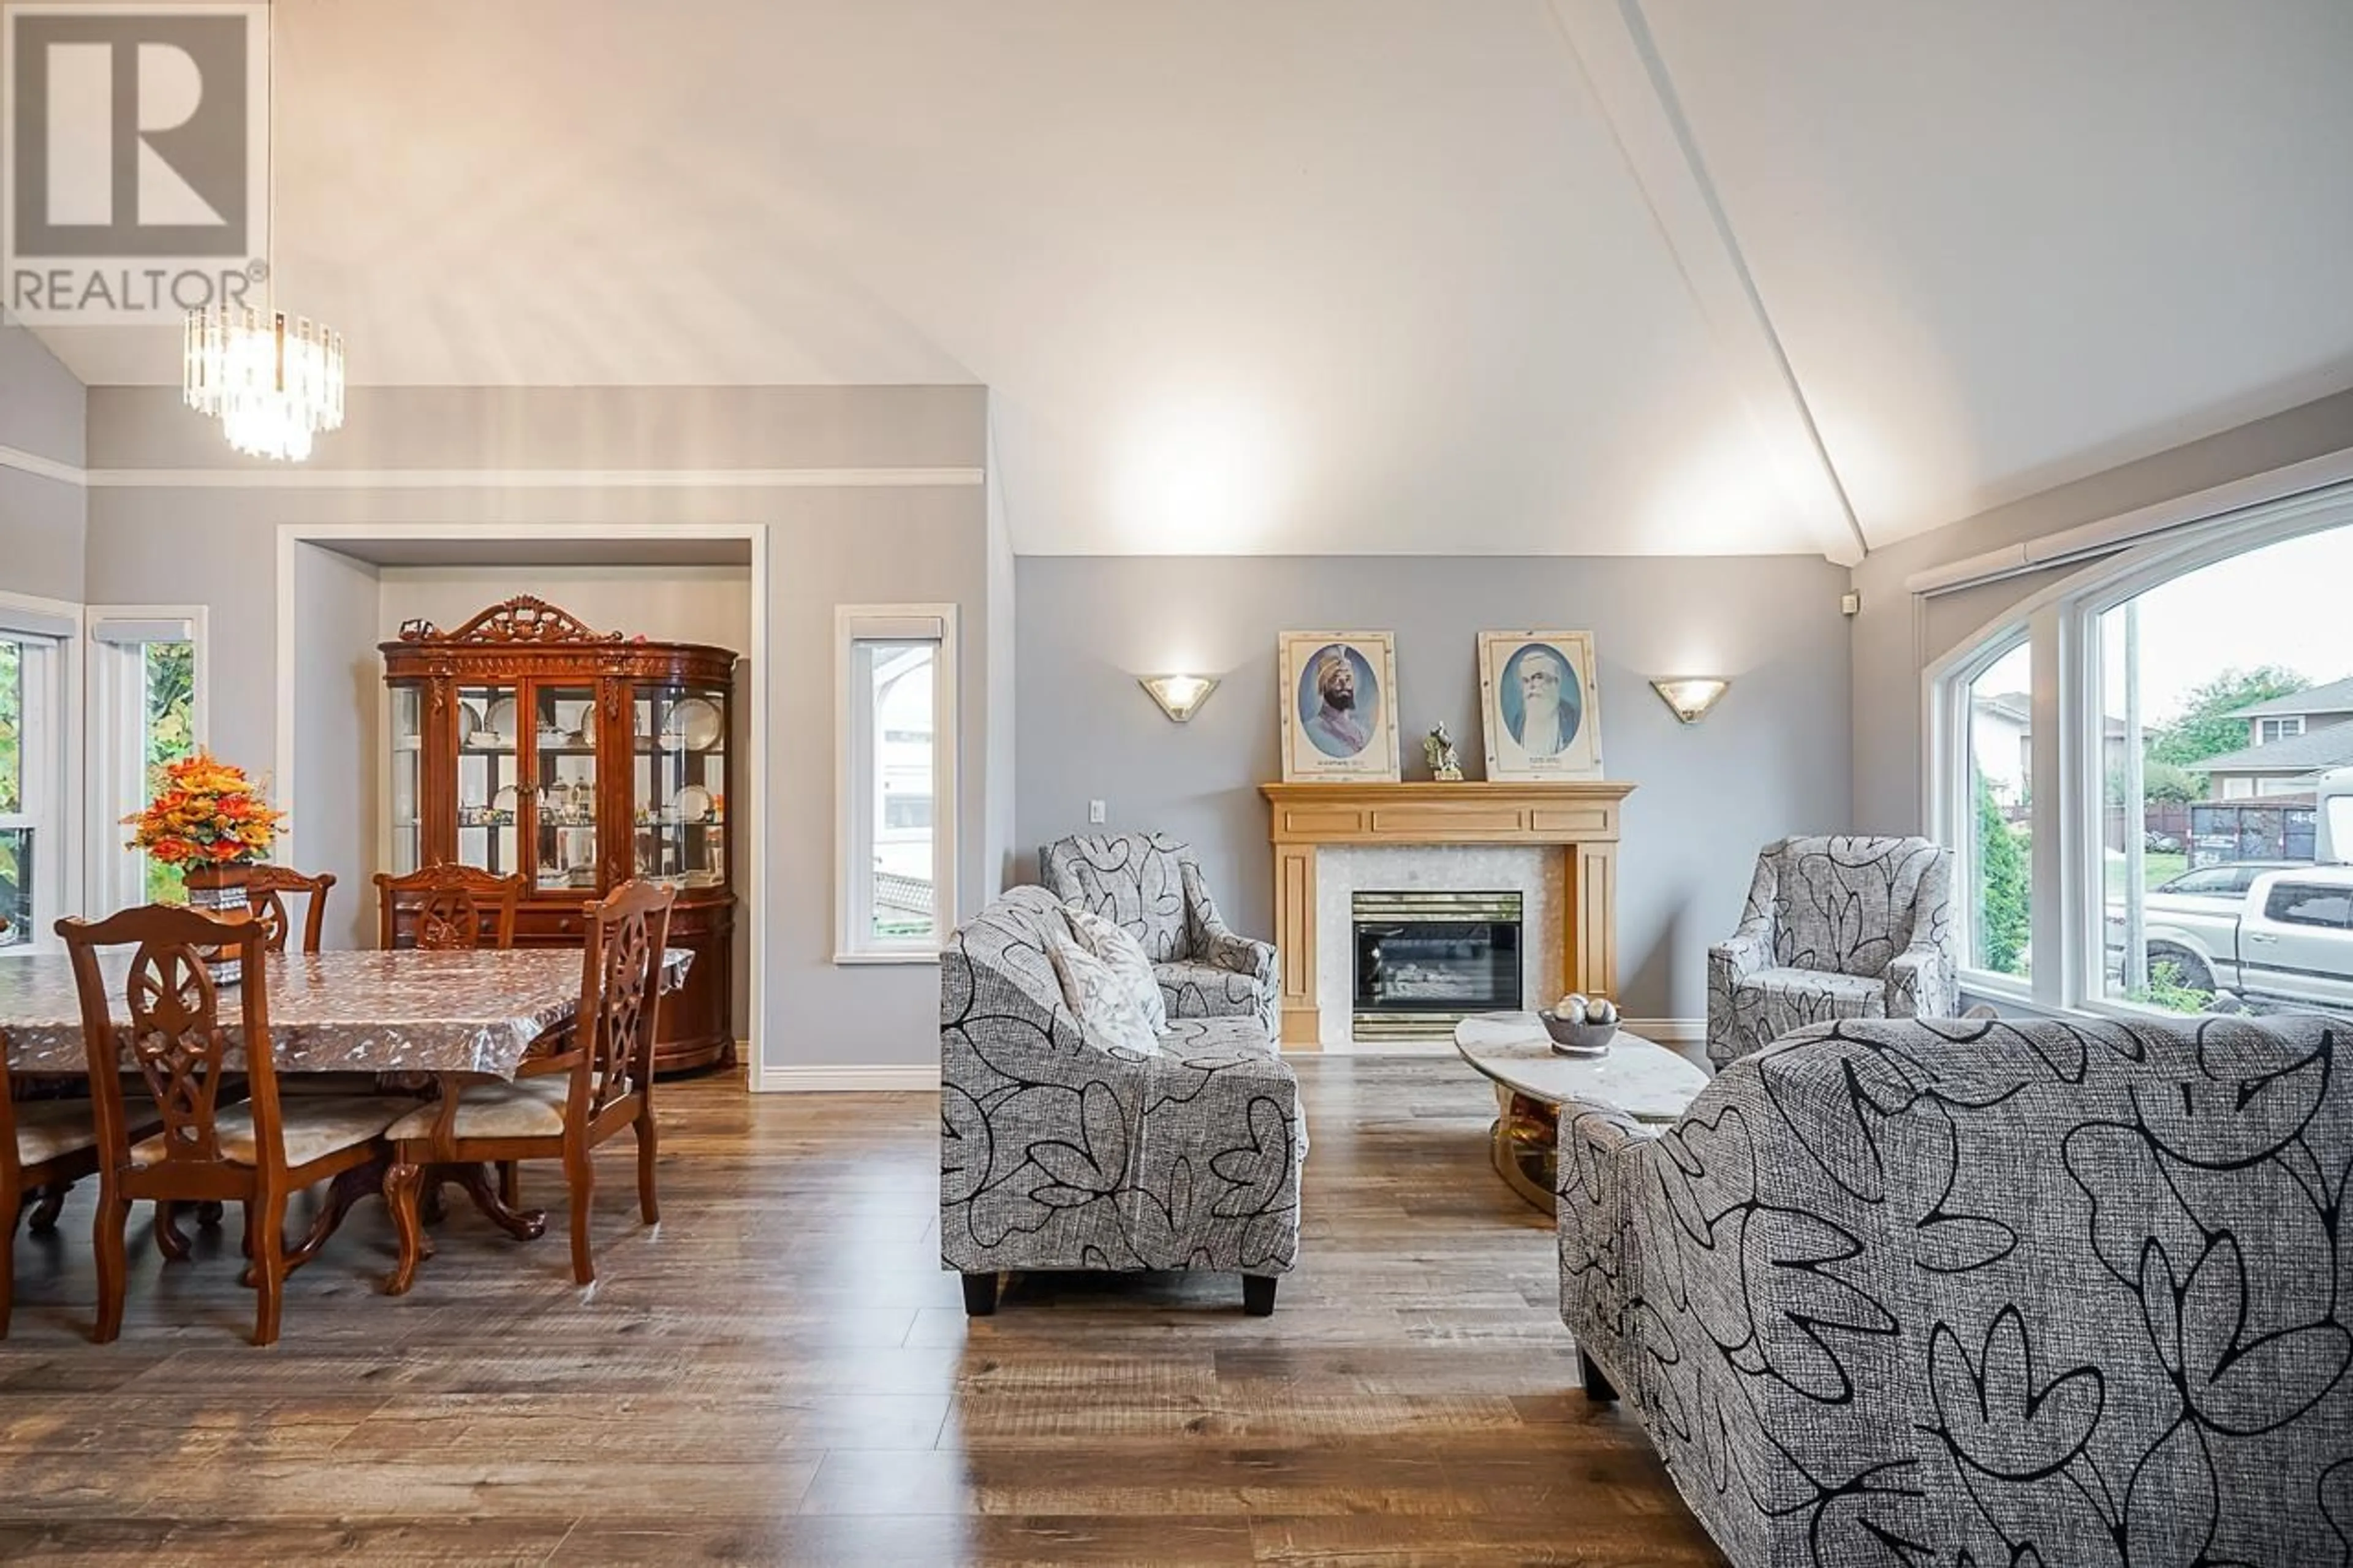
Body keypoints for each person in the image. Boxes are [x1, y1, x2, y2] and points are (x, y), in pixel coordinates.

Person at [1303, 646, 1372, 758]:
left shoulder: (1364, 733)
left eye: (1348, 679)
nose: (1344, 684)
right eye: (1336, 678)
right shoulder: (1311, 731)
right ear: (1324, 686)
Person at [1508, 645, 1577, 757]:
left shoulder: (1572, 716)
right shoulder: (1518, 721)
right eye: (1526, 680)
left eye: (1537, 678)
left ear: (1555, 681)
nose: (1531, 686)